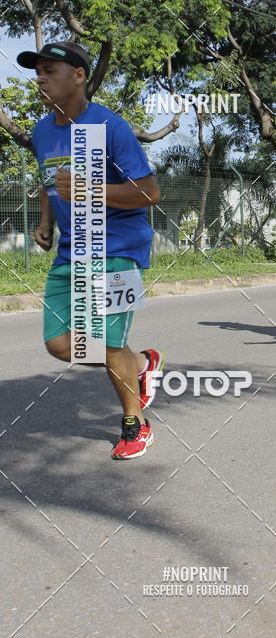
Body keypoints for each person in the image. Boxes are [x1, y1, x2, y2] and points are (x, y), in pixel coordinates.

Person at [19, 40, 164, 459]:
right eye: (38, 71)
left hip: (120, 246)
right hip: (73, 250)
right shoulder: (42, 130)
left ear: (78, 76)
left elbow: (151, 193)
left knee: (105, 339)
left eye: (49, 70)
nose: (40, 78)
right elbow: (52, 180)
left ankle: (135, 424)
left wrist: (90, 190)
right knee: (62, 345)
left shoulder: (110, 127)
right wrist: (46, 221)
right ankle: (141, 364)